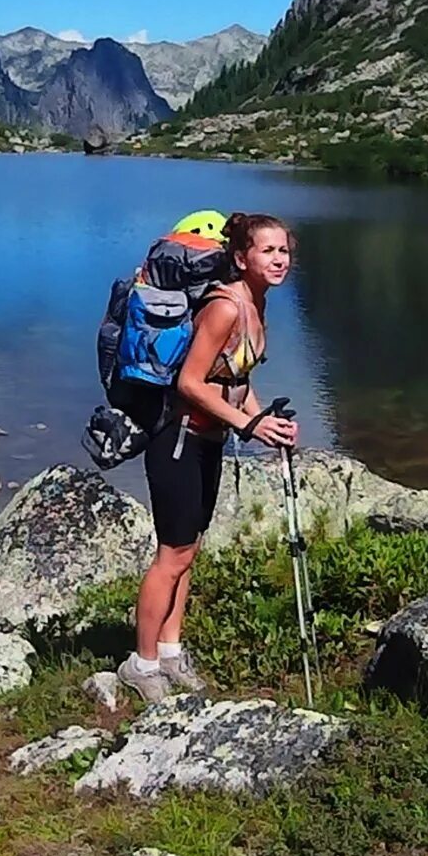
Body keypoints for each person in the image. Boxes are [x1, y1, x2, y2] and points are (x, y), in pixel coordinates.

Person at [121, 210, 298, 704]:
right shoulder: (225, 307)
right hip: (177, 437)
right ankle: (143, 662)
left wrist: (267, 421)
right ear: (241, 258)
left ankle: (171, 649)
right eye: (267, 250)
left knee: (190, 549)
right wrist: (249, 424)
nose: (279, 259)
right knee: (172, 554)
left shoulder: (256, 304)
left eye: (284, 250)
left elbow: (237, 379)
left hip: (210, 438)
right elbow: (190, 383)